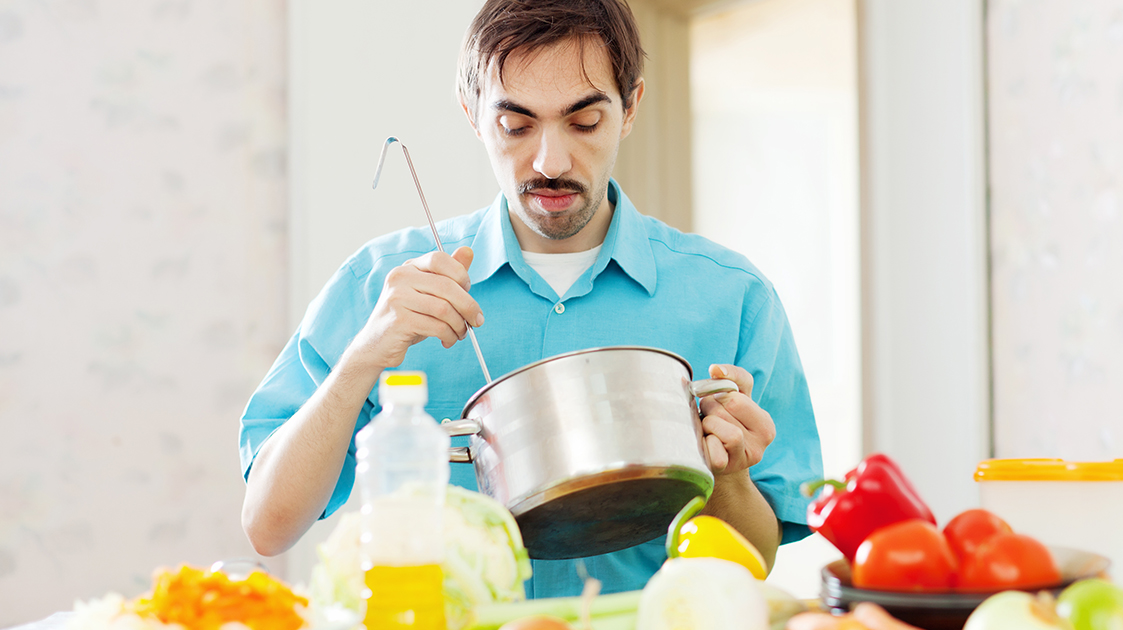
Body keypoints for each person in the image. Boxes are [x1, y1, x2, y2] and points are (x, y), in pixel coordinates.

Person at [239, 0, 822, 598]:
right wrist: (363, 357)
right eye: (516, 125)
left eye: (584, 122)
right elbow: (268, 526)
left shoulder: (731, 297)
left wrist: (729, 478)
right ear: (472, 114)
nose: (550, 162)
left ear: (630, 109)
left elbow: (754, 561)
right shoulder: (379, 284)